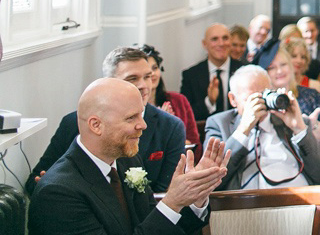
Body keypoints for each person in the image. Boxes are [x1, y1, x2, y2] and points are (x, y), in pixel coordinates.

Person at [28, 78, 228, 235]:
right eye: (131, 118)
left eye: (141, 114)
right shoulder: (58, 192)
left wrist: (196, 197)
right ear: (96, 125)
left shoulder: (127, 160)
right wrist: (172, 202)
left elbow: (156, 227)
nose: (143, 125)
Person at [28, 47, 186, 194]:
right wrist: (49, 185)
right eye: (132, 79)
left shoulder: (171, 126)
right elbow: (36, 180)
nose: (143, 85)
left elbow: (166, 191)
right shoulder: (75, 122)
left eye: (147, 77)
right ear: (109, 82)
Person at [204, 65, 320, 191]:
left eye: (263, 95)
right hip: (246, 206)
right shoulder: (219, 123)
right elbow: (210, 180)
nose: (259, 104)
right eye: (252, 99)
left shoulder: (289, 121)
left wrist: (299, 129)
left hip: (299, 204)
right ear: (232, 99)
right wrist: (243, 130)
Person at [253, 39, 320, 145]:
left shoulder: (311, 96)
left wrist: (309, 126)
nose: (279, 71)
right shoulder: (259, 102)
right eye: (272, 68)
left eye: (283, 65)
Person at [138, 43, 200, 146]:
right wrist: (162, 124)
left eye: (155, 68)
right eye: (146, 71)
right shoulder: (133, 107)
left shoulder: (179, 100)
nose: (152, 74)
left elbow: (194, 142)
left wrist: (173, 126)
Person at [180, 23, 244, 122]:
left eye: (225, 38)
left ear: (230, 41)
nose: (221, 43)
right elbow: (186, 114)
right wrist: (209, 102)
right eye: (215, 39)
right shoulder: (191, 75)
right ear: (204, 44)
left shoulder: (244, 71)